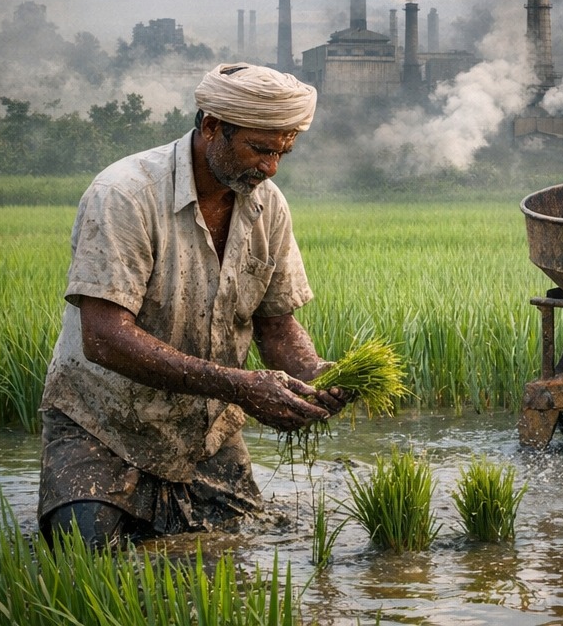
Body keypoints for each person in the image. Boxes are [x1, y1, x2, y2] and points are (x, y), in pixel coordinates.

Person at [37, 63, 349, 547]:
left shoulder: (268, 205)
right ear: (210, 127)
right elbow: (103, 337)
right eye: (260, 149)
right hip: (103, 423)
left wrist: (315, 379)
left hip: (205, 433)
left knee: (234, 559)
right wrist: (242, 387)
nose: (270, 168)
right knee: (83, 558)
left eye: (283, 152)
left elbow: (276, 324)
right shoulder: (125, 194)